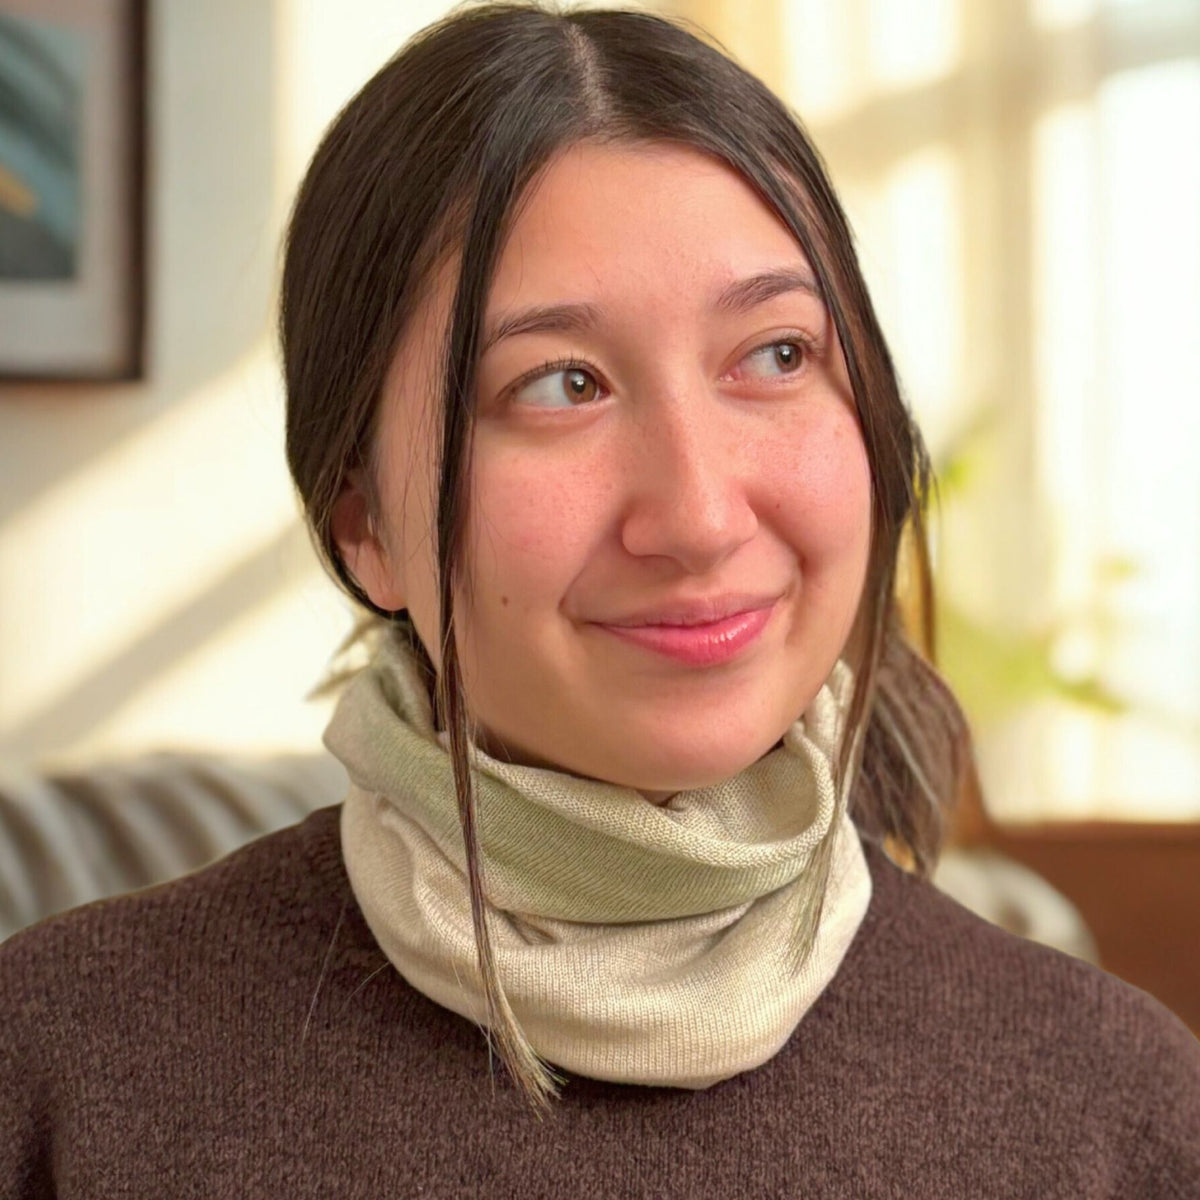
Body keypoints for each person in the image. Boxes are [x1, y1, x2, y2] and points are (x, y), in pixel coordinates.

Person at [2, 3, 1197, 1195]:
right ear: (362, 519)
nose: (699, 515)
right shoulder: (62, 1075)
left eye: (777, 355)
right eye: (560, 384)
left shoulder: (1118, 1109)